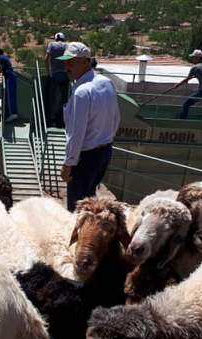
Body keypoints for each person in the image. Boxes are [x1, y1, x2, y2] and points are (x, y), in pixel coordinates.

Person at [57, 42, 120, 212]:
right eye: (66, 62)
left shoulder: (82, 92)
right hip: (104, 152)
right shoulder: (106, 82)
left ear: (86, 62)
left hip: (85, 158)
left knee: (77, 210)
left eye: (72, 62)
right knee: (91, 203)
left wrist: (68, 163)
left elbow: (77, 133)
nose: (67, 67)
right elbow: (116, 117)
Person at [172, 49, 202, 121]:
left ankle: (182, 120)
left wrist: (177, 85)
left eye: (193, 57)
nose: (192, 59)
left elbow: (187, 79)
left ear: (197, 58)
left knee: (186, 104)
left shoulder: (195, 68)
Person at [45, 32, 69, 127]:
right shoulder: (67, 46)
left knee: (54, 98)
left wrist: (48, 72)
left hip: (54, 75)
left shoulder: (51, 45)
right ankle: (62, 120)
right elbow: (69, 59)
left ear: (55, 38)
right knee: (64, 99)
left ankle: (52, 119)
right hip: (65, 75)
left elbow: (46, 59)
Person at [0, 48, 18, 123]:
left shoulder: (0, 58)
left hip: (9, 77)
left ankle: (12, 114)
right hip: (12, 77)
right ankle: (13, 113)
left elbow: (0, 70)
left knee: (9, 97)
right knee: (11, 95)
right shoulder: (4, 57)